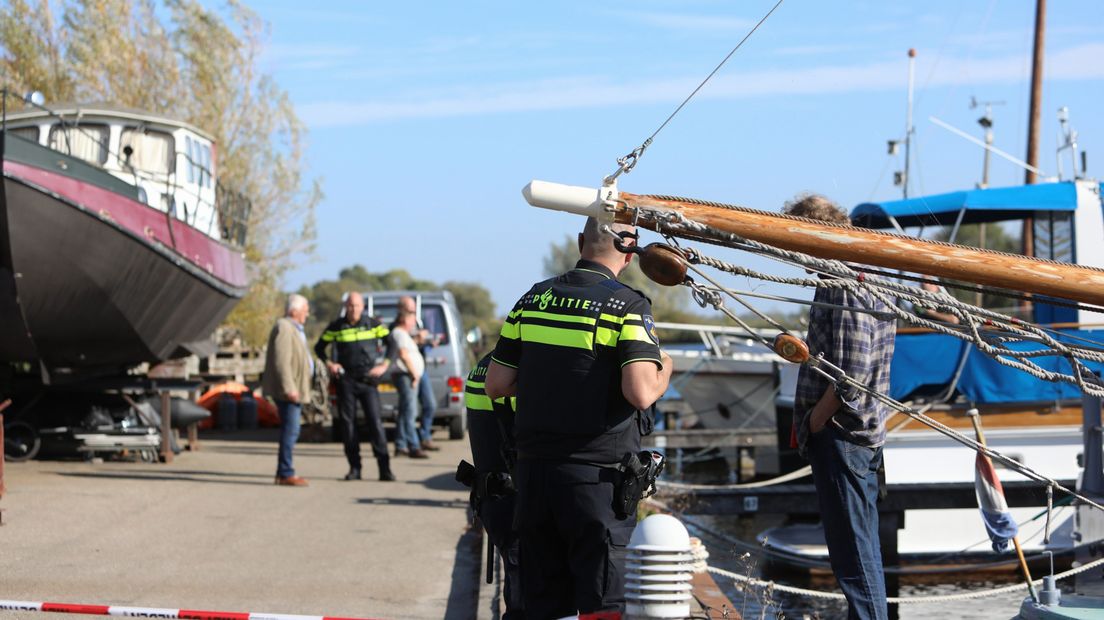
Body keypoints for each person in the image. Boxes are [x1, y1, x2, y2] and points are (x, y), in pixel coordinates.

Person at [485, 217, 673, 617]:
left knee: (540, 602)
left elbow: (497, 383)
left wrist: (551, 386)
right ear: (630, 249)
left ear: (580, 241)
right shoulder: (628, 305)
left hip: (534, 477)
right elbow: (640, 393)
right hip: (596, 482)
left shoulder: (532, 299)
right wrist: (665, 368)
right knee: (600, 602)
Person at [784, 194, 897, 620]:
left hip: (843, 436)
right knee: (861, 551)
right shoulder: (873, 276)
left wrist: (814, 421)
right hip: (861, 436)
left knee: (853, 557)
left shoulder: (841, 281)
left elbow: (851, 372)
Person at [464, 353, 524, 618]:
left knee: (518, 593)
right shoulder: (523, 370)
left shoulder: (485, 366)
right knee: (527, 600)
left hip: (494, 501)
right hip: (520, 506)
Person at [315, 291, 396, 482]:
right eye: (350, 305)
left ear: (363, 307)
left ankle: (384, 469)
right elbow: (319, 347)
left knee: (375, 423)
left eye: (357, 305)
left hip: (368, 380)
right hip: (346, 381)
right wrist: (330, 364)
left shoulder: (373, 324)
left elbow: (392, 344)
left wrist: (384, 365)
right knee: (348, 425)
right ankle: (354, 468)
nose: (353, 309)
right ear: (346, 307)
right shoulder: (337, 326)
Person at [262, 294, 314, 487]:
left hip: (294, 389)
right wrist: (289, 388)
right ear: (295, 310)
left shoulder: (293, 328)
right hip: (289, 391)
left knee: (292, 430)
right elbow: (281, 361)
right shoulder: (284, 327)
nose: (307, 314)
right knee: (291, 431)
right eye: (305, 309)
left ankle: (284, 471)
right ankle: (285, 472)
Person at [397, 295, 440, 451]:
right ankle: (408, 445)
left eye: (414, 310)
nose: (413, 314)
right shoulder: (397, 328)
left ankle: (423, 437)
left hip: (421, 371)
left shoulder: (417, 323)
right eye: (410, 310)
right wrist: (417, 339)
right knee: (408, 410)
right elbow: (402, 348)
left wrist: (428, 342)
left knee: (429, 405)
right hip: (409, 372)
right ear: (401, 310)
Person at [391, 309, 429, 458]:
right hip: (406, 375)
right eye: (413, 320)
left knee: (404, 411)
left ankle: (401, 445)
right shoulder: (399, 333)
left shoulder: (404, 334)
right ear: (405, 320)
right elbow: (403, 354)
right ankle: (413, 445)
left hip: (408, 375)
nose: (414, 323)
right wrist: (414, 374)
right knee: (410, 411)